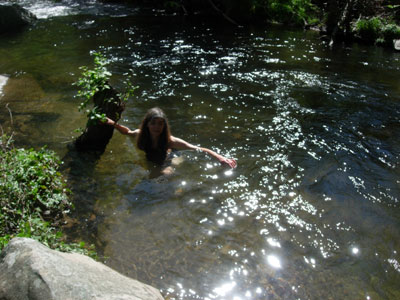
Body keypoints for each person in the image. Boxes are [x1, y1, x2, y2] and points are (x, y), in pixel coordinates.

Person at [104, 107, 237, 170]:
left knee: (165, 175)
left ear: (164, 126)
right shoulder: (140, 134)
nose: (157, 127)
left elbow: (199, 149)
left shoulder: (170, 141)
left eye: (160, 124)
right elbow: (127, 132)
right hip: (153, 158)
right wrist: (113, 124)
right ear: (147, 124)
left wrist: (220, 158)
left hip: (172, 157)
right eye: (153, 123)